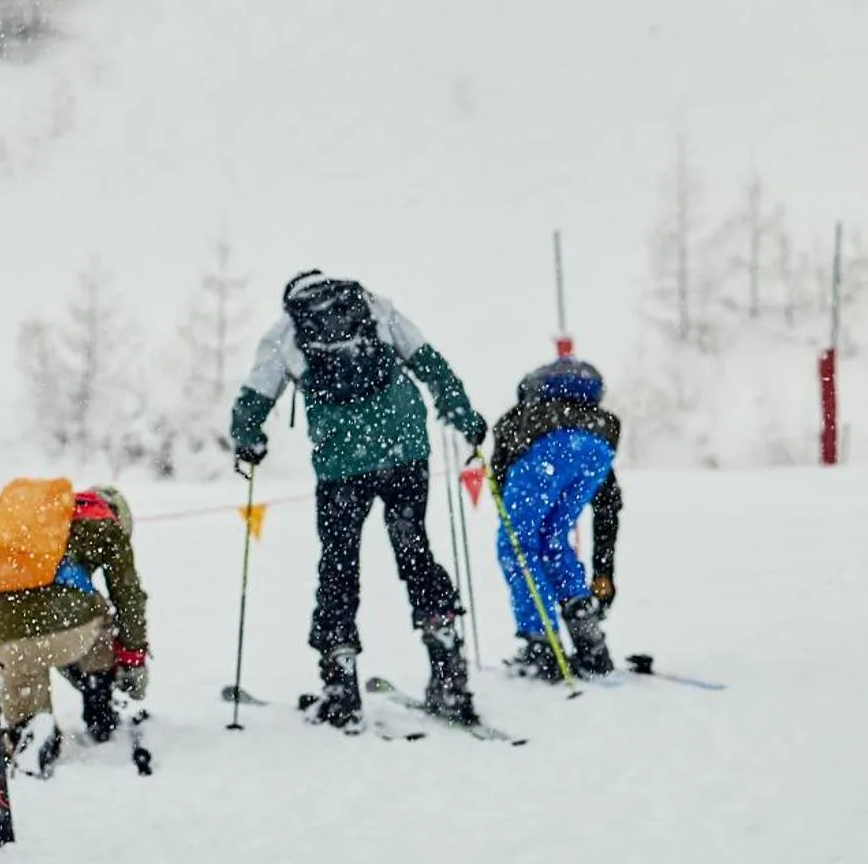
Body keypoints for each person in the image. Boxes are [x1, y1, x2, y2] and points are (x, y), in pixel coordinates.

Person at [230, 271, 488, 726]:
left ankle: (341, 683)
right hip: (404, 447)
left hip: (342, 461)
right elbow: (429, 360)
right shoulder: (374, 305)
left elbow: (257, 391)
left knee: (339, 562)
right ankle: (448, 669)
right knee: (414, 549)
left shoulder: (285, 329)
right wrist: (459, 408)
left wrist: (247, 437)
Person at [0, 479, 149, 777]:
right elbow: (129, 599)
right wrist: (133, 660)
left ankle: (30, 728)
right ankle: (99, 707)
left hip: (6, 637)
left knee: (28, 647)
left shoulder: (41, 517)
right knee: (97, 617)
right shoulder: (104, 524)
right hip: (70, 632)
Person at [487, 356, 622, 680]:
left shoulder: (522, 417)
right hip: (595, 454)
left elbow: (501, 479)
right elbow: (609, 505)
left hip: (542, 455)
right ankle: (589, 638)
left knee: (517, 547)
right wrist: (604, 572)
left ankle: (541, 645)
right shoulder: (593, 422)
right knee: (552, 540)